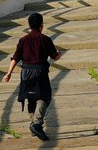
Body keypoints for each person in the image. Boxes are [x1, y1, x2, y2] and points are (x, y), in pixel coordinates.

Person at [3, 11, 63, 141]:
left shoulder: (23, 40)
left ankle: (33, 125)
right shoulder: (45, 39)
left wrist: (9, 73)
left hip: (25, 73)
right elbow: (55, 56)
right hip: (40, 72)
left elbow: (15, 58)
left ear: (30, 26)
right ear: (41, 25)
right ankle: (37, 123)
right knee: (45, 97)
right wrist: (59, 53)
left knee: (31, 97)